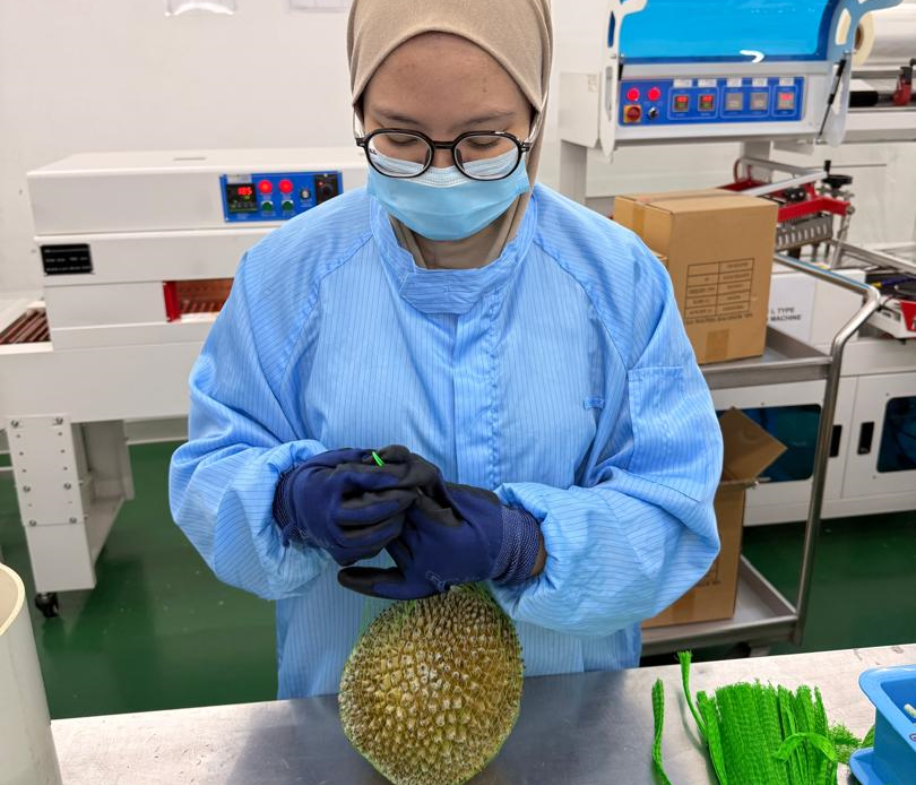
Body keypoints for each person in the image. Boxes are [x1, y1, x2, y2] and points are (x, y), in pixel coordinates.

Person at [169, 0, 724, 699]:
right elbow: (210, 471)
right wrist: (286, 501)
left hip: (563, 704)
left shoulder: (617, 279)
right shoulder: (288, 275)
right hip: (346, 709)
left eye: (483, 138)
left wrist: (529, 546)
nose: (442, 171)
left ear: (535, 119)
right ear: (359, 115)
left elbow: (671, 510)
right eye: (400, 137)